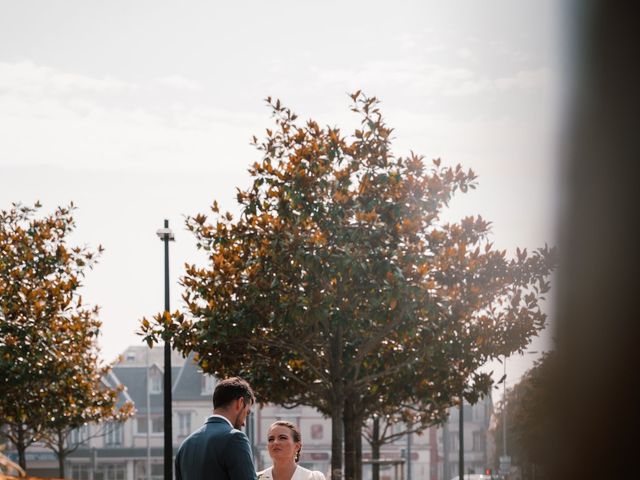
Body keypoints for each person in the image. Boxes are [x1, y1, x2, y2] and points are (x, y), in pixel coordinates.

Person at [175, 377, 257, 480]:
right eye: (247, 412)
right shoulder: (235, 438)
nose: (244, 423)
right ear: (240, 403)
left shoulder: (185, 445)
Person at [257, 421, 326, 480]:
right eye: (271, 439)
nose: (275, 442)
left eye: (282, 438)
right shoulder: (256, 478)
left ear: (297, 446)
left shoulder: (313, 478)